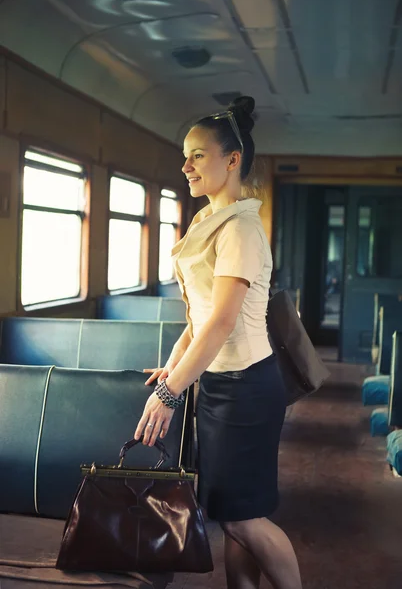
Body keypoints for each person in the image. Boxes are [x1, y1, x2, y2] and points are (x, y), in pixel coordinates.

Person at [134, 96, 302, 589]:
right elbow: (198, 317)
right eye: (185, 155)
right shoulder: (205, 222)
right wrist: (172, 368)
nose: (185, 165)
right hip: (220, 386)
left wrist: (170, 393)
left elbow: (223, 322)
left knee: (244, 519)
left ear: (232, 160)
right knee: (232, 514)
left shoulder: (242, 230)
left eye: (197, 155)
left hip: (247, 387)